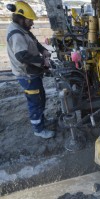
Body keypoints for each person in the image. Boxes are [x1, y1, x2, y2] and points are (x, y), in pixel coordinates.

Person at [6, 1, 55, 139]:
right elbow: (22, 56)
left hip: (32, 72)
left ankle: (42, 122)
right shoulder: (16, 34)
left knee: (40, 97)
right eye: (30, 20)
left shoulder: (23, 30)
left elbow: (35, 42)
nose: (32, 23)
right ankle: (38, 130)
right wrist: (42, 61)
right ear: (21, 18)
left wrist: (44, 51)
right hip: (27, 75)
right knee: (35, 101)